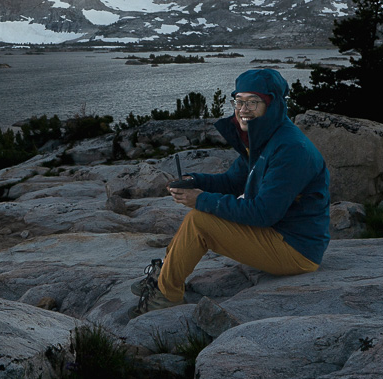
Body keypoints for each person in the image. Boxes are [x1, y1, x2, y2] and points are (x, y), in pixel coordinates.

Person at [132, 67, 330, 315]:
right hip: (276, 233)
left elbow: (264, 213)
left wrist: (202, 199)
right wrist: (196, 181)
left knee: (200, 219)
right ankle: (165, 275)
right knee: (201, 214)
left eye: (253, 102)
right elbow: (233, 181)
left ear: (273, 104)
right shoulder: (265, 138)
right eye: (239, 100)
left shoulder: (290, 149)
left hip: (297, 249)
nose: (243, 109)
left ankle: (166, 295)